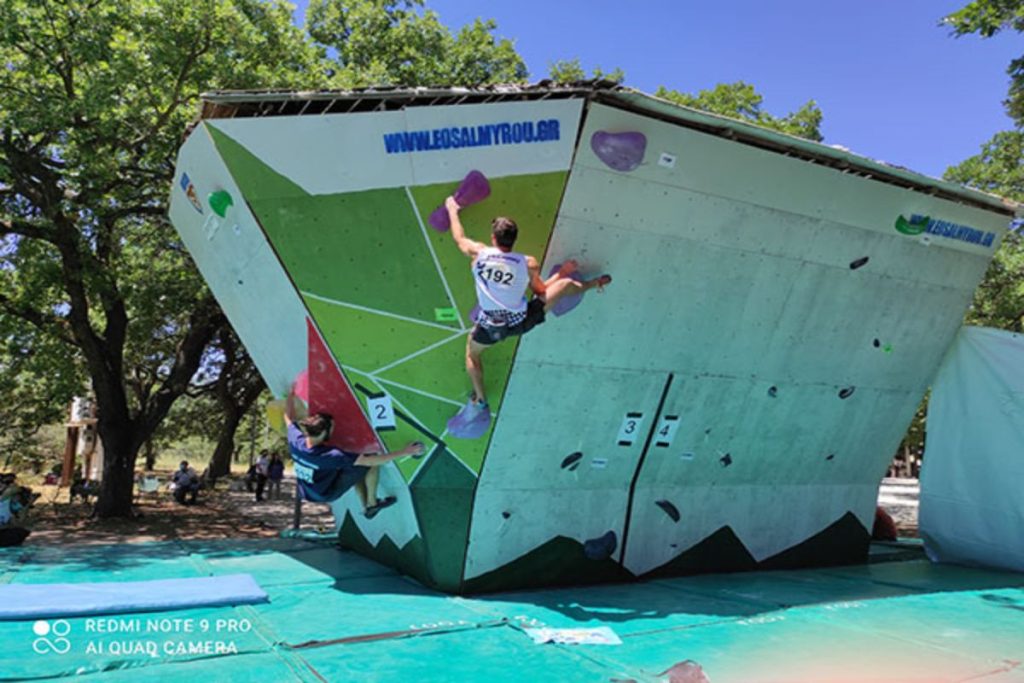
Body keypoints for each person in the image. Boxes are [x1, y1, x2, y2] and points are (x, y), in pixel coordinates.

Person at [445, 196, 611, 417]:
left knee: (472, 355)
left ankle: (481, 399)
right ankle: (593, 284)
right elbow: (541, 291)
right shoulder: (528, 262)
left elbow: (459, 238)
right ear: (514, 240)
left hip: (491, 326)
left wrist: (452, 209)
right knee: (565, 284)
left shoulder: (479, 254)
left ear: (493, 238)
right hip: (522, 321)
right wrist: (562, 273)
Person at [283, 402, 424, 518]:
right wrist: (406, 451)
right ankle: (372, 503)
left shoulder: (296, 440)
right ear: (325, 432)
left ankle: (365, 506)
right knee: (370, 459)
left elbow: (288, 418)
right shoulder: (331, 456)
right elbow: (371, 461)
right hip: (326, 493)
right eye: (332, 427)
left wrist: (291, 394)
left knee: (353, 467)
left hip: (307, 491)